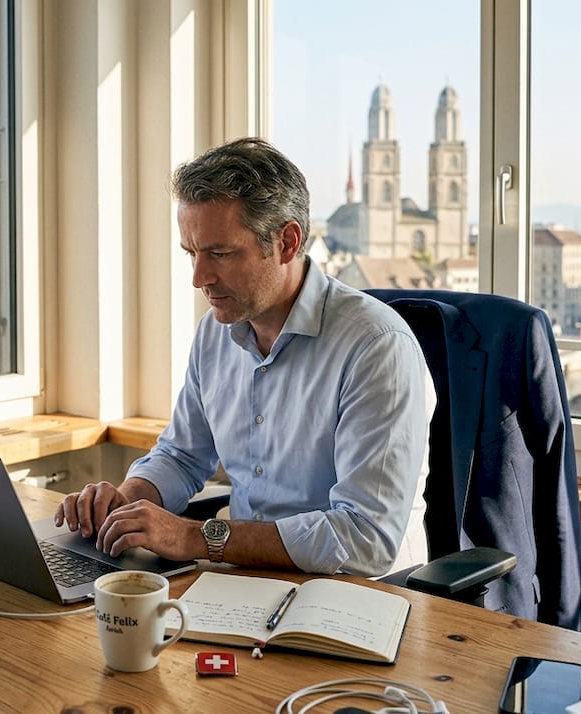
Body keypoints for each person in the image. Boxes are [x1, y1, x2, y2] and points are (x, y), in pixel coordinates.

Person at [54, 137, 436, 577]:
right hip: (245, 580)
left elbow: (365, 538)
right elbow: (181, 455)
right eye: (192, 254)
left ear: (287, 243)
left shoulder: (376, 346)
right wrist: (130, 499)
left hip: (363, 597)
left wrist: (193, 538)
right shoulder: (215, 333)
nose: (200, 277)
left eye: (220, 254)